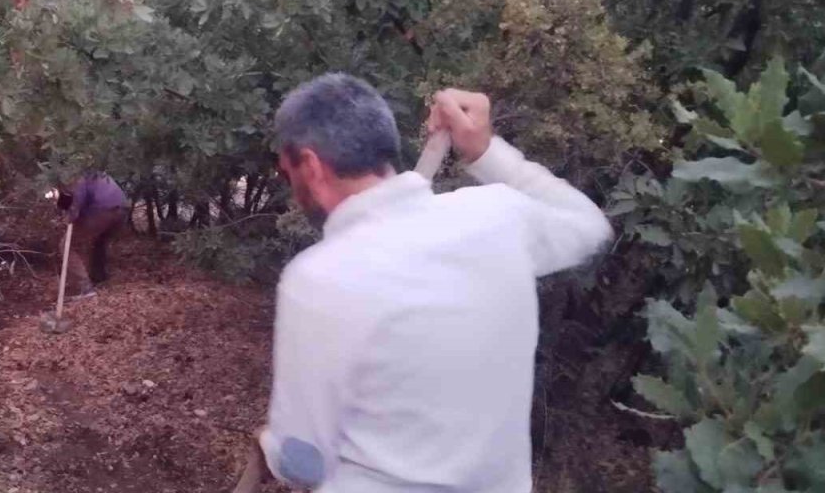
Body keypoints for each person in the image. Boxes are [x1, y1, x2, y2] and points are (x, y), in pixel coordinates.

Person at [241, 74, 612, 492]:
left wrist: (275, 449)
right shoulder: (498, 218)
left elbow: (303, 462)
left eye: (287, 170)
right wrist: (486, 149)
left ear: (310, 166)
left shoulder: (318, 280)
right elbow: (588, 226)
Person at [55, 171, 128, 298]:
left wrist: (69, 216)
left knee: (67, 245)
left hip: (102, 211)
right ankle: (100, 278)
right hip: (121, 210)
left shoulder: (79, 175)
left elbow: (76, 204)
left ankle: (85, 288)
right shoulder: (96, 171)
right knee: (100, 241)